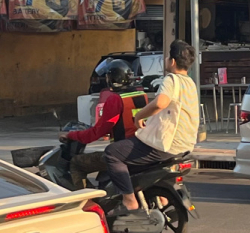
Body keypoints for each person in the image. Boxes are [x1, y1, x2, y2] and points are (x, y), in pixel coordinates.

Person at [103, 40, 199, 220]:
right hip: (185, 145)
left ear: (172, 61)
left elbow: (161, 102)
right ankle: (162, 198)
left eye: (168, 56)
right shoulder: (190, 83)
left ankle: (129, 200)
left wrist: (139, 116)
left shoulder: (172, 79)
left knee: (112, 153)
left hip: (167, 144)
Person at [62, 59, 147, 189]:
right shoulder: (142, 95)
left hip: (122, 150)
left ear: (112, 78)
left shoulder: (116, 99)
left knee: (76, 164)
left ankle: (88, 202)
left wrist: (71, 135)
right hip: (142, 147)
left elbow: (97, 132)